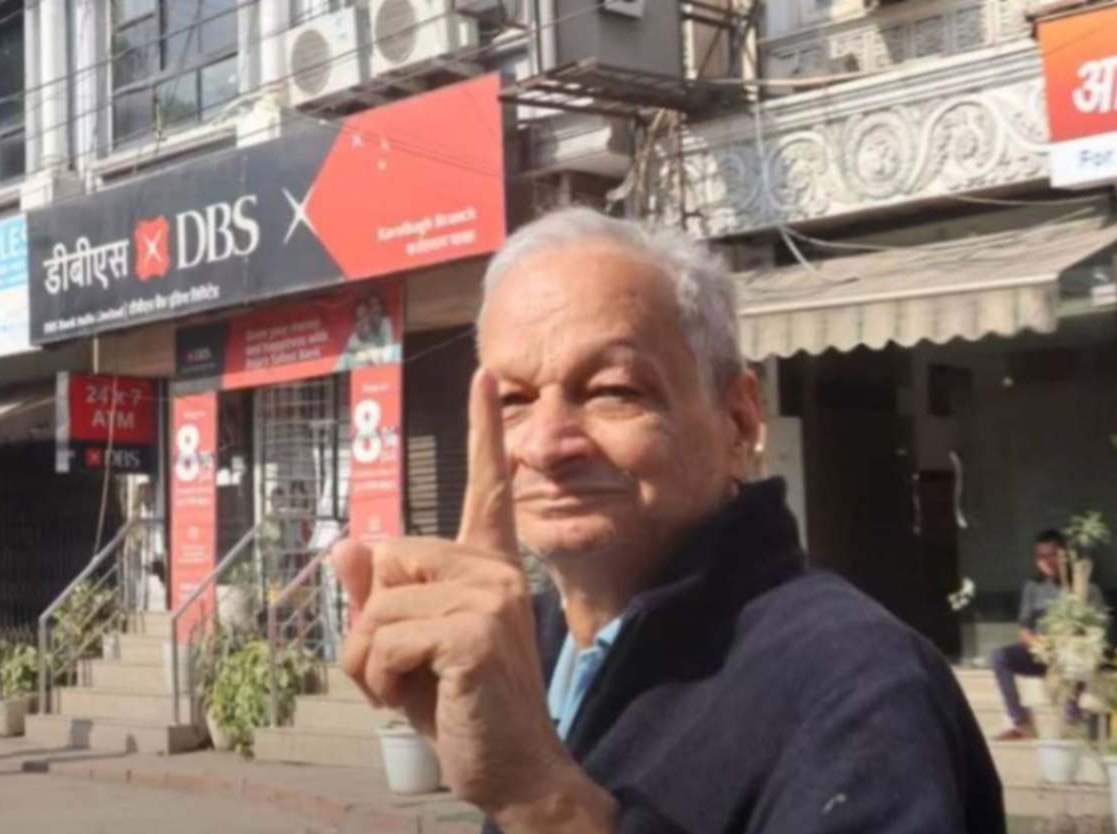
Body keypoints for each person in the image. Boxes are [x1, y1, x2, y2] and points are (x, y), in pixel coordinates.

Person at [329, 207, 1004, 833]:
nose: (543, 445)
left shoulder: (857, 683)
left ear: (739, 420)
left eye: (613, 391)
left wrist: (539, 796)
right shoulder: (527, 645)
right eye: (512, 400)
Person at [989, 530, 1105, 741]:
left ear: (1065, 555)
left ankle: (1072, 719)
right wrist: (1038, 644)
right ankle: (1020, 721)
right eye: (1040, 557)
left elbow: (1096, 631)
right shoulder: (1033, 587)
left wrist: (1069, 642)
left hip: (1071, 653)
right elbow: (1024, 629)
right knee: (999, 657)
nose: (1046, 561)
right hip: (1041, 653)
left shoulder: (1087, 589)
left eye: (1051, 555)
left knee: (1077, 656)